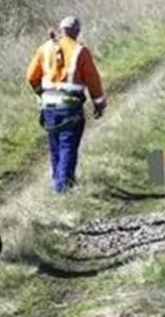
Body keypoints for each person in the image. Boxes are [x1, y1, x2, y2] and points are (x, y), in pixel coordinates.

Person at [25, 16, 105, 193]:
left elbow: (31, 77)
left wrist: (41, 93)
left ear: (62, 30)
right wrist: (99, 103)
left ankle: (58, 182)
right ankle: (62, 190)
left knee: (55, 147)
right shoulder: (80, 51)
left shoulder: (45, 48)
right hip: (70, 107)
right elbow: (93, 81)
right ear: (76, 32)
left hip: (49, 107)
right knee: (68, 146)